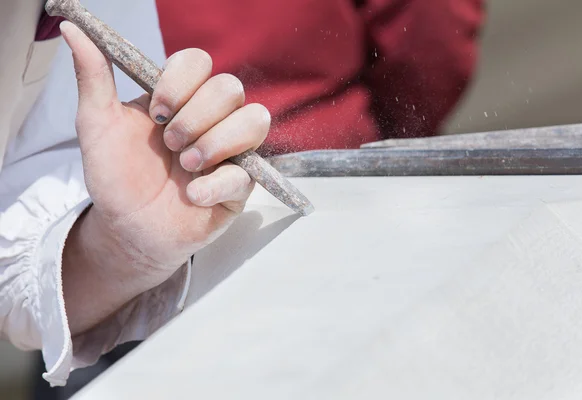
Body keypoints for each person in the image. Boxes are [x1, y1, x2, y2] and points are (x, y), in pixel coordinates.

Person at [0, 0, 483, 390]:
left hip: (188, 222)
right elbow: (431, 41)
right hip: (192, 232)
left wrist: (118, 249)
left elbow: (35, 199)